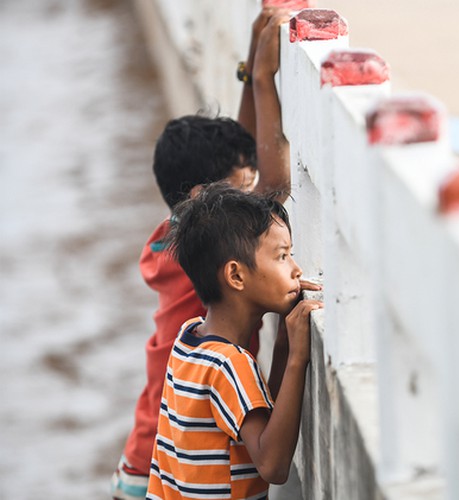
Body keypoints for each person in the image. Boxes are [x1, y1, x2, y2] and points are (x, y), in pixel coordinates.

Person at [111, 7, 303, 499]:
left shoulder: (178, 236)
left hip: (157, 455)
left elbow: (236, 163)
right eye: (240, 188)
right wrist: (262, 76)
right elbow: (275, 182)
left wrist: (246, 71)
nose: (249, 191)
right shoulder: (209, 250)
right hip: (166, 453)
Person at [146, 183, 320, 499]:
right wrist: (297, 359)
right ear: (236, 276)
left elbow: (265, 421)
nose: (296, 270)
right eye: (282, 256)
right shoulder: (230, 364)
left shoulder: (189, 340)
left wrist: (284, 342)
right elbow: (273, 465)